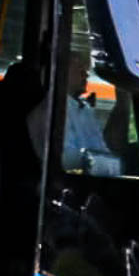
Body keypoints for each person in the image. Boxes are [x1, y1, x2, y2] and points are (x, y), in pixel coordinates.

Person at [29, 45, 125, 177]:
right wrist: (94, 160)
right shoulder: (50, 109)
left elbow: (101, 148)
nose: (85, 75)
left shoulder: (85, 109)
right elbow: (64, 158)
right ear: (61, 72)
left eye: (85, 70)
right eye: (79, 69)